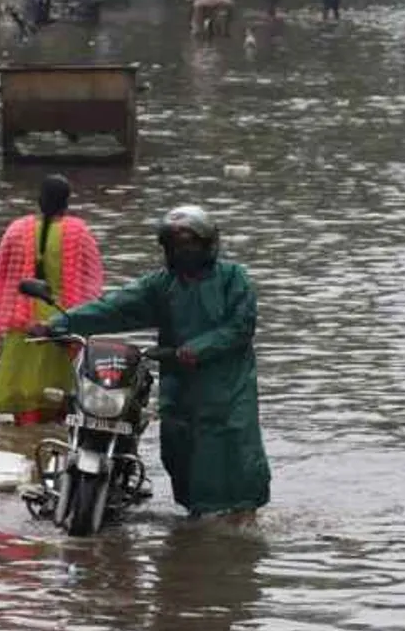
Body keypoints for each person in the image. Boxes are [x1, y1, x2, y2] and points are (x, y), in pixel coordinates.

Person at [33, 206, 271, 522]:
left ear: (208, 245)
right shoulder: (161, 284)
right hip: (179, 382)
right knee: (180, 448)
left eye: (190, 243)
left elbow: (240, 327)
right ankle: (196, 523)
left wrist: (195, 349)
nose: (183, 251)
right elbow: (115, 307)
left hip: (226, 384)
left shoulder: (232, 278)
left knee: (231, 450)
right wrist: (59, 323)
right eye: (175, 245)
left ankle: (241, 517)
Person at [0, 175, 103, 426]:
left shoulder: (17, 230)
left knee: (24, 394)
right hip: (62, 321)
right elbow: (93, 279)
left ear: (39, 200)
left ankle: (24, 439)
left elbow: (0, 275)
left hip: (22, 321)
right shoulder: (79, 232)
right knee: (60, 397)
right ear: (67, 202)